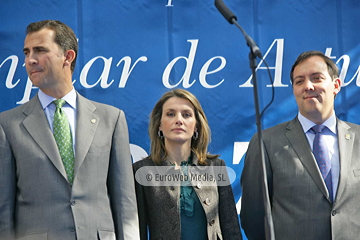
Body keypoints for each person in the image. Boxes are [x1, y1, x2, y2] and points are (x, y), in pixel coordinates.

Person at [0, 20, 139, 240]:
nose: (30, 60)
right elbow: (3, 209)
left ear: (68, 56)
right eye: (26, 53)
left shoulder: (111, 119)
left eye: (40, 50)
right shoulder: (7, 125)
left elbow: (126, 204)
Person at [240, 50, 360, 239]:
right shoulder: (266, 143)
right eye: (299, 81)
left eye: (316, 78)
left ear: (336, 85)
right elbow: (254, 218)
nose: (308, 86)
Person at [133, 89, 242, 240]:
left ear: (196, 126)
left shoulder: (216, 167)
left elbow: (231, 228)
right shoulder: (142, 170)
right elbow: (137, 231)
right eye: (170, 114)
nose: (179, 120)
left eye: (186, 115)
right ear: (159, 125)